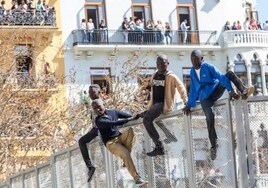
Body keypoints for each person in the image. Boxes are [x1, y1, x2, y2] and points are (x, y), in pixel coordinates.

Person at [182, 49, 254, 160]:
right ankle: (213, 146)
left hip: (216, 90)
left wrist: (230, 90)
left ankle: (243, 90)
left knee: (229, 74)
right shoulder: (192, 72)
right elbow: (193, 90)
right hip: (205, 98)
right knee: (209, 118)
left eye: (196, 59)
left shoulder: (208, 67)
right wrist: (189, 104)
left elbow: (221, 78)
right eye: (192, 59)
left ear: (201, 59)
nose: (194, 62)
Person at [91, 98, 148, 185]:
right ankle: (137, 178)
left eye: (99, 106)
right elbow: (113, 123)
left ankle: (125, 161)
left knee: (130, 131)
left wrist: (138, 115)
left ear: (103, 104)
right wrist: (130, 119)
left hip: (120, 138)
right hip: (111, 143)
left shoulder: (113, 112)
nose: (98, 110)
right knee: (125, 153)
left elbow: (129, 115)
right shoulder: (98, 121)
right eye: (95, 109)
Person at [143, 54, 188, 157]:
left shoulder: (171, 76)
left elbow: (181, 87)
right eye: (159, 64)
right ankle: (169, 136)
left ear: (167, 64)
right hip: (154, 105)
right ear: (156, 64)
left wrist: (186, 101)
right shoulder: (154, 75)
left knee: (147, 120)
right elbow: (149, 87)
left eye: (163, 64)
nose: (161, 66)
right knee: (147, 117)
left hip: (163, 104)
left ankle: (159, 147)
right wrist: (146, 95)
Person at [78, 84, 101, 182]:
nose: (91, 94)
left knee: (81, 142)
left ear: (99, 92)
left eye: (93, 92)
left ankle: (90, 167)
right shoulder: (93, 103)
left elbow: (104, 113)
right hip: (95, 129)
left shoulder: (97, 102)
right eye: (90, 93)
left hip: (98, 129)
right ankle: (91, 167)